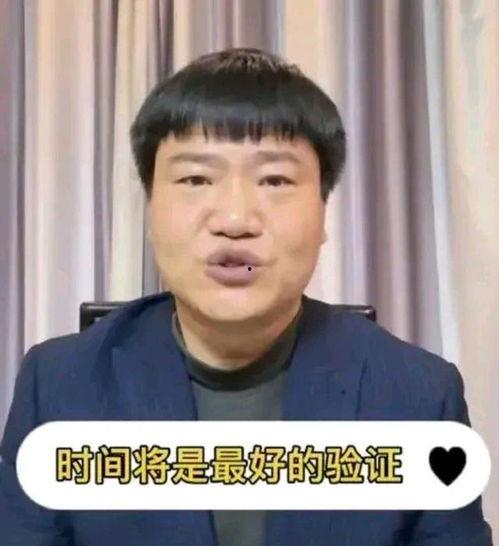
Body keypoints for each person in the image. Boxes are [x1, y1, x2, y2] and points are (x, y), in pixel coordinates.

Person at [0, 47, 492, 546]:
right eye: (195, 178)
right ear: (150, 211)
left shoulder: (419, 396)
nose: (235, 220)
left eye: (275, 180)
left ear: (323, 213)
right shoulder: (58, 387)